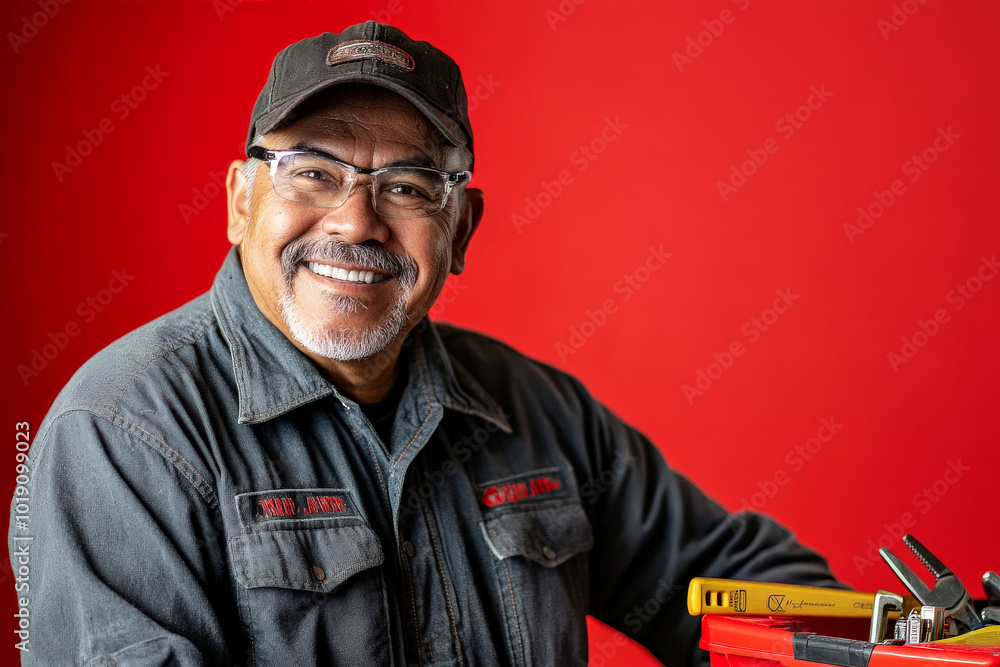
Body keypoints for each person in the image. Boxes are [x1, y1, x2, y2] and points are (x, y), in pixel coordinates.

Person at [9, 21, 841, 666]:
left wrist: (910, 643)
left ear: (461, 228)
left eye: (406, 186)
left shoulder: (536, 414)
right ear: (239, 200)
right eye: (313, 171)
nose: (355, 221)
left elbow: (723, 582)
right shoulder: (123, 433)